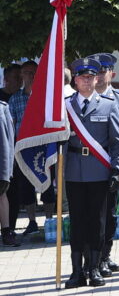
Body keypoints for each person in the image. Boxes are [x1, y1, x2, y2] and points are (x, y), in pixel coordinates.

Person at [63, 57, 119, 288]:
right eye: (82, 77)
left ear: (97, 78)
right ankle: (77, 271)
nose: (87, 81)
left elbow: (117, 143)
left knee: (98, 222)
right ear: (75, 81)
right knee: (77, 222)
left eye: (91, 77)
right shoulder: (66, 106)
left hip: (100, 171)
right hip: (74, 172)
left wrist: (117, 169)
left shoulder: (109, 105)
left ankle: (95, 268)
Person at [88, 53, 119, 277]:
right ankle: (91, 258)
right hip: (87, 168)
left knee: (109, 213)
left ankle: (105, 256)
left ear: (112, 73)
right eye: (95, 70)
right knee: (89, 215)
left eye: (103, 70)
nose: (99, 74)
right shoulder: (80, 98)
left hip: (111, 165)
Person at [9, 60, 56, 235]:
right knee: (25, 186)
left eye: (33, 73)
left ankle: (50, 220)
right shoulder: (15, 99)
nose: (30, 76)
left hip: (43, 147)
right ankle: (31, 221)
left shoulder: (44, 97)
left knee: (47, 185)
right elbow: (11, 125)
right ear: (21, 76)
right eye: (26, 73)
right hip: (23, 149)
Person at [0, 99, 17, 246]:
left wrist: (8, 166)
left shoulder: (2, 108)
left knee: (2, 194)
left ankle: (6, 231)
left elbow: (9, 139)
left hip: (1, 161)